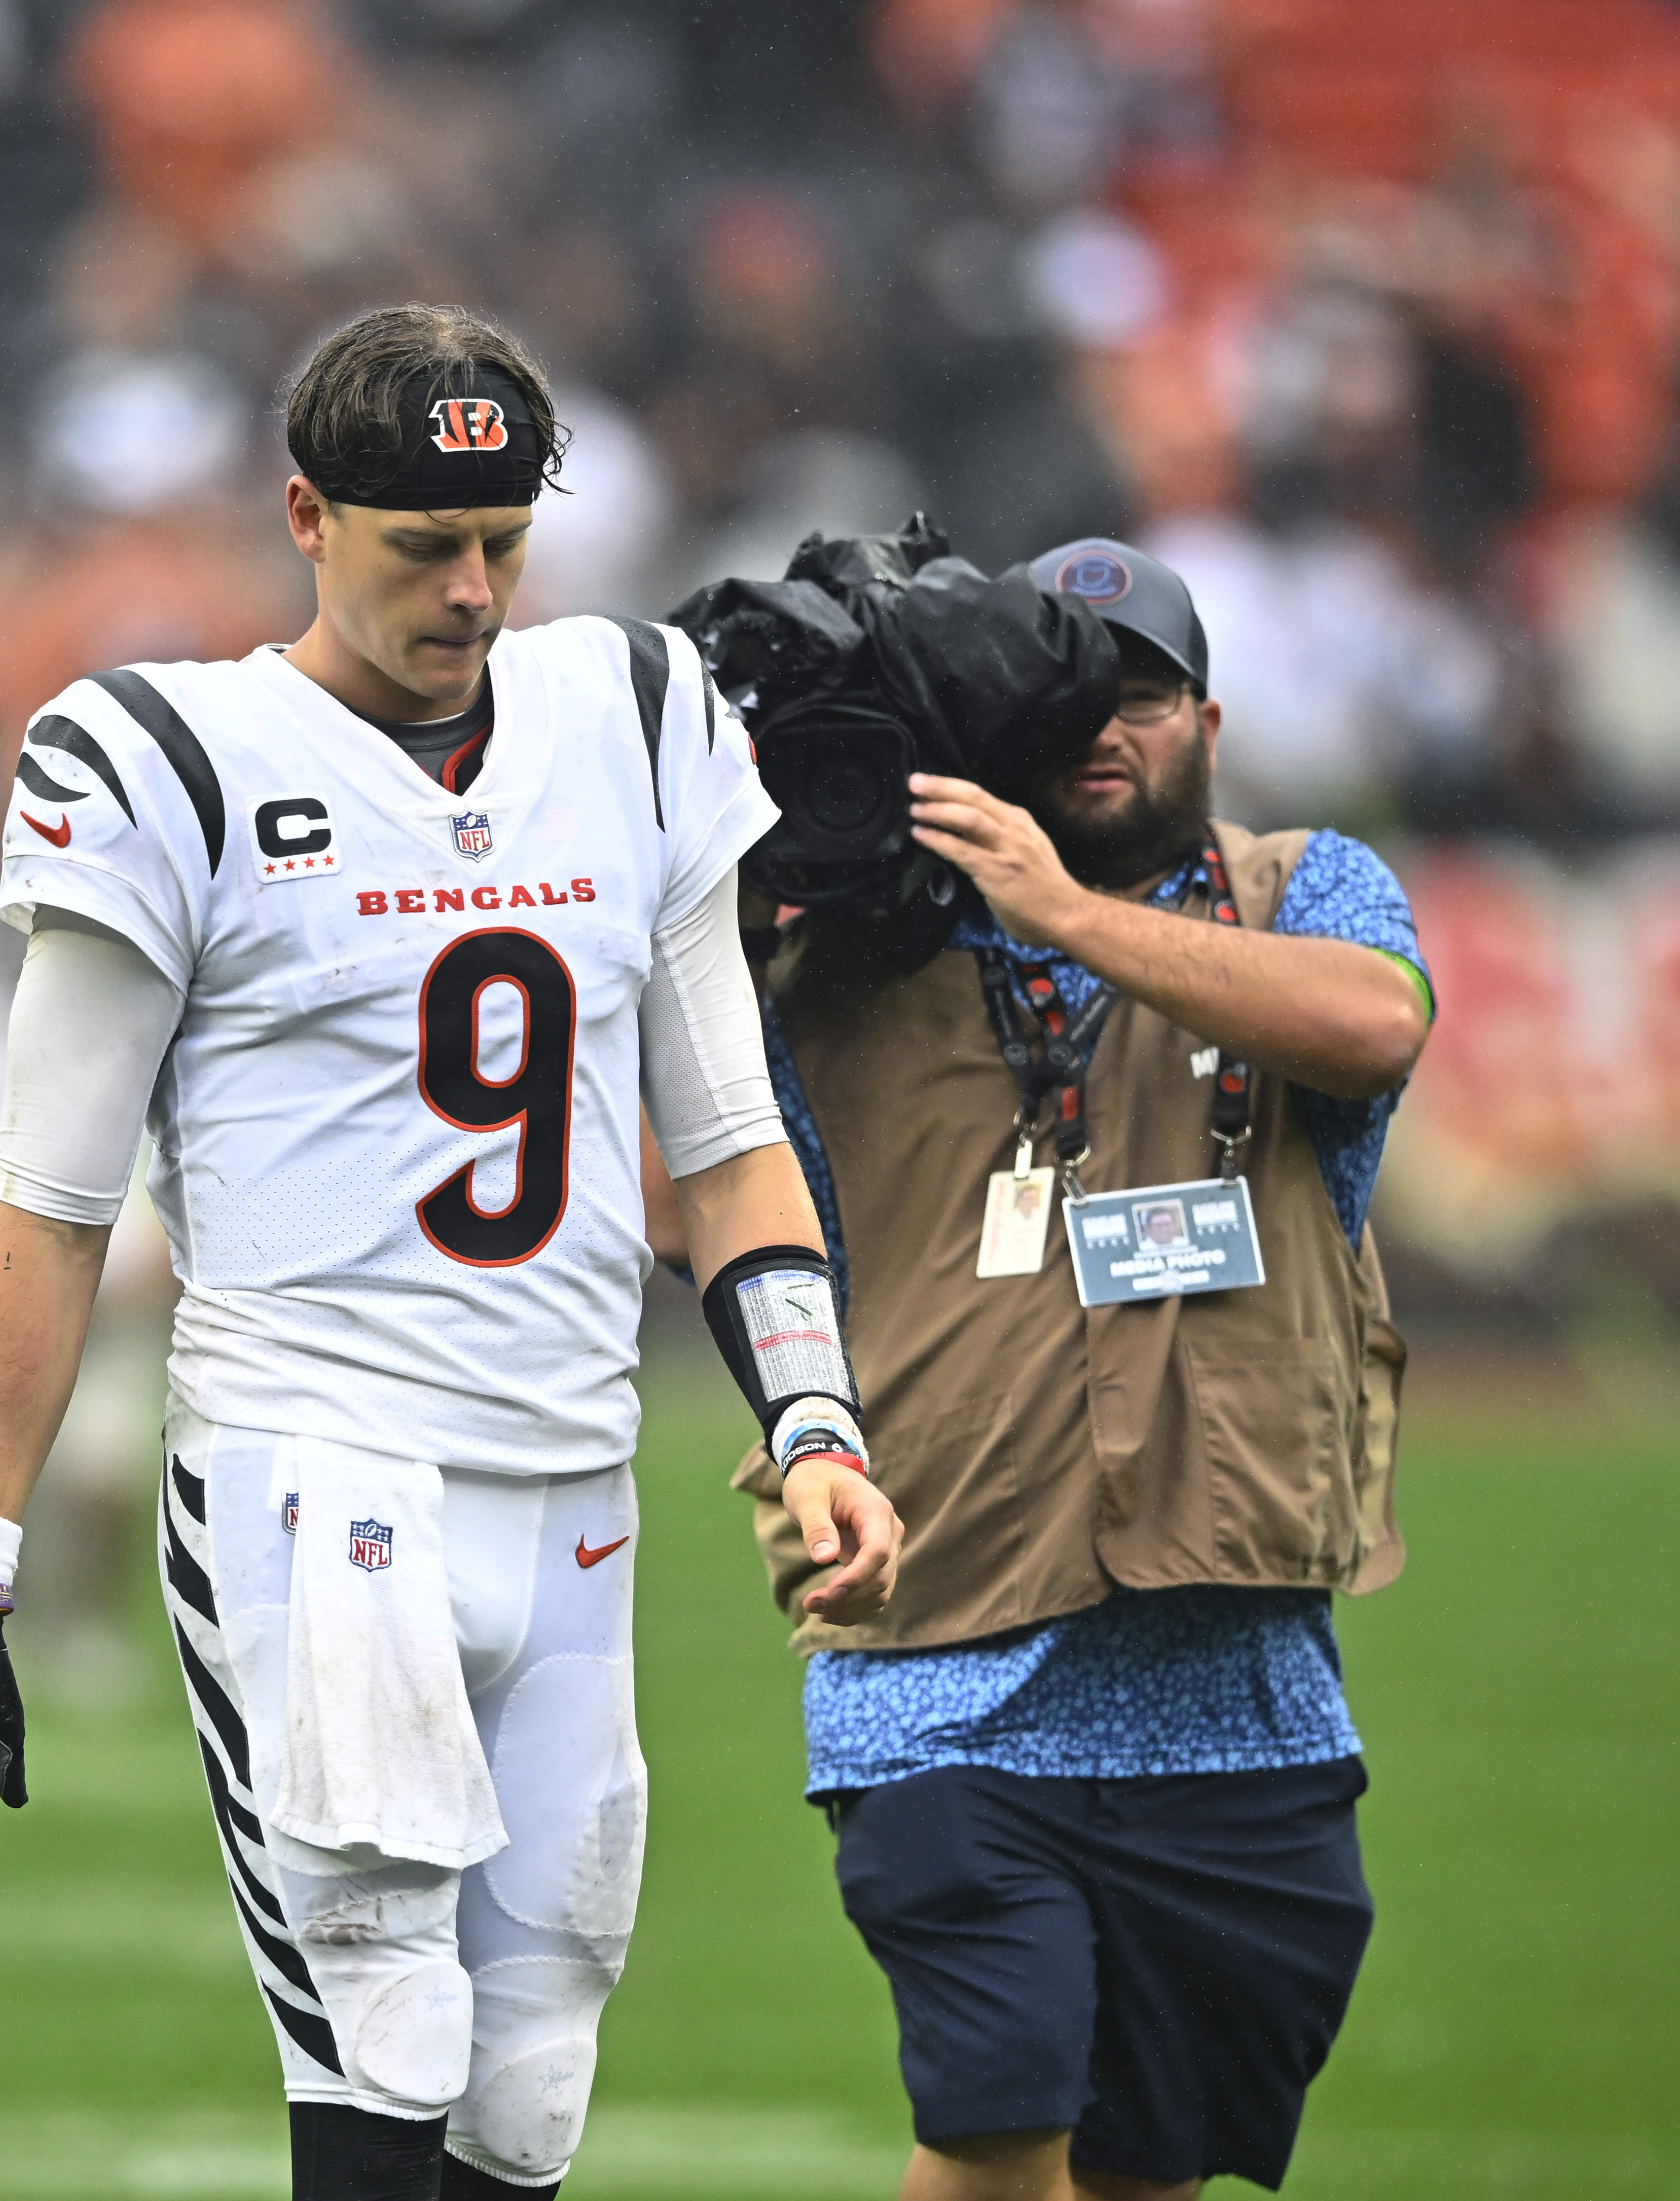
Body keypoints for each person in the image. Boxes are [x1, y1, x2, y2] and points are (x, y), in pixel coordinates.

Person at [0, 304, 904, 2201]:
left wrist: (819, 1419)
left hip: (574, 1478)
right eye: (426, 543)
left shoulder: (637, 718)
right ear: (307, 517)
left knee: (532, 2096)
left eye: (506, 538)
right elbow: (51, 1216)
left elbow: (732, 1145)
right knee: (385, 2038)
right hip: (308, 1478)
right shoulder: (167, 758)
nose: (476, 588)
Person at [733, 538, 1430, 2201]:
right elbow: (694, 1184)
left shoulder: (1305, 884)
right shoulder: (855, 946)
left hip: (1243, 1698)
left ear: (1210, 716)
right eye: (1069, 702)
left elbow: (1377, 1025)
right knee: (992, 2126)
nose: (1109, 730)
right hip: (941, 1669)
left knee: (1150, 2168)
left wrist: (1064, 914)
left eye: (1145, 697)